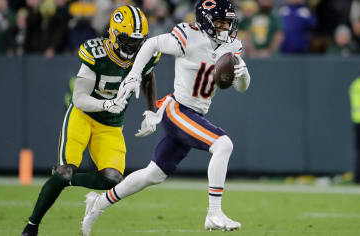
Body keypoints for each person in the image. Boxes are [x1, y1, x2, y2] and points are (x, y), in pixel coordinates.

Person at [81, 0, 251, 234]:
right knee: (223, 144)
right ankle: (214, 213)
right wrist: (134, 75)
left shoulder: (232, 46)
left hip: (194, 114)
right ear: (205, 22)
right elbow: (152, 44)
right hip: (178, 109)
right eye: (219, 23)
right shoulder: (190, 36)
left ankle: (98, 203)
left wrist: (243, 75)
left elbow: (242, 88)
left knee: (153, 174)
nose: (225, 29)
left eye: (227, 23)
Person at [21, 5, 161, 236]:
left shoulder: (146, 54)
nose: (134, 47)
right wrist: (106, 104)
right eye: (128, 40)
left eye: (138, 41)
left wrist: (152, 110)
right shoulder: (97, 52)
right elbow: (79, 98)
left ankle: (67, 181)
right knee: (66, 169)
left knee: (112, 179)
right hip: (83, 117)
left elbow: (148, 75)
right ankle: (31, 226)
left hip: (111, 125)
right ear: (114, 35)